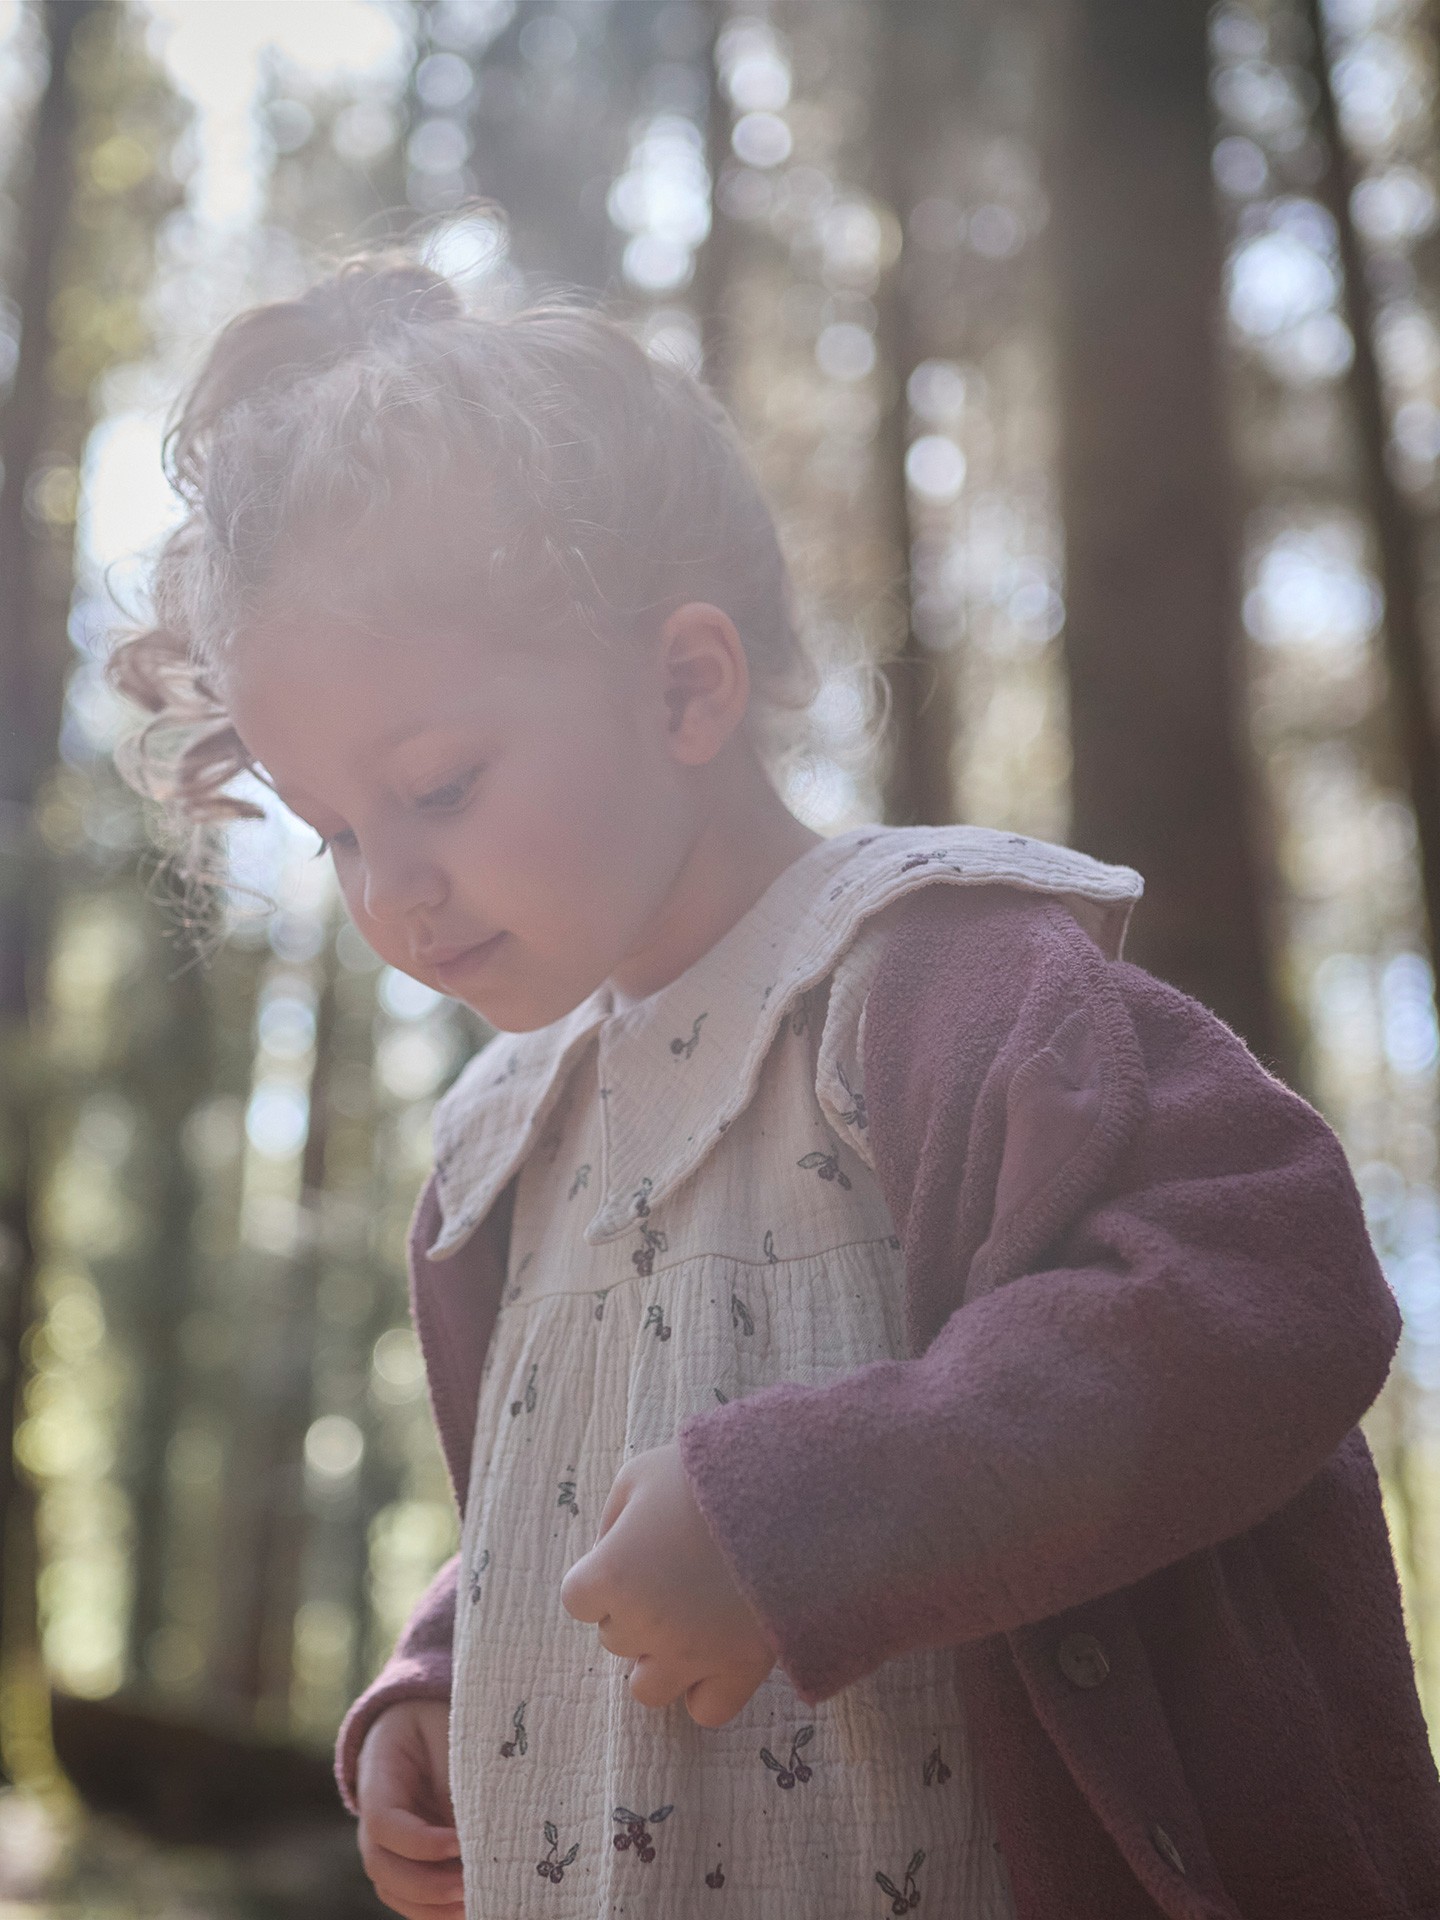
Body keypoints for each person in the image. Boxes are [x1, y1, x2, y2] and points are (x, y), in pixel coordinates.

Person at [110, 254, 1440, 1920]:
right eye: (339, 835)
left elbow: (1274, 1282)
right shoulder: (502, 1150)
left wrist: (818, 1515)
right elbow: (566, 1486)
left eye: (437, 787)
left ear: (686, 685)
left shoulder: (927, 980)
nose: (391, 892)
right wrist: (448, 1671)